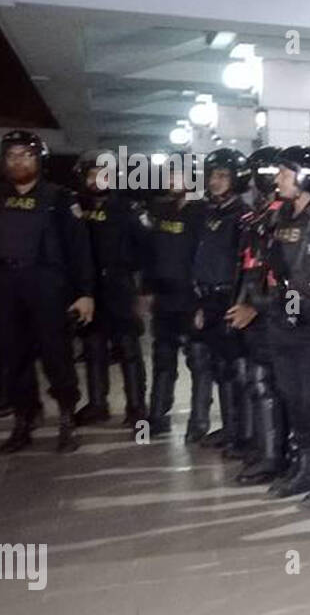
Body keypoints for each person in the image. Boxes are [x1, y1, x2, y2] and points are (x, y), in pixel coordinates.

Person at [0, 130, 96, 454]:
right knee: (12, 356)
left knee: (57, 356)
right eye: (12, 155)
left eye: (26, 155)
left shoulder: (59, 198)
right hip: (5, 287)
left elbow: (80, 251)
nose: (18, 161)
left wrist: (85, 293)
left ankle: (66, 420)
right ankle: (24, 420)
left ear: (39, 159)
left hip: (48, 284)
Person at [234, 146, 310, 500]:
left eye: (285, 172)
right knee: (292, 397)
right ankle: (306, 463)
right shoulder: (279, 219)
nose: (278, 178)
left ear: (307, 179)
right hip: (282, 319)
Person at [72, 151, 150, 427]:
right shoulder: (75, 207)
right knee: (93, 347)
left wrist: (141, 288)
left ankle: (137, 407)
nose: (97, 180)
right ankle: (97, 403)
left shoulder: (127, 209)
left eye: (103, 174)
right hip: (87, 289)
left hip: (119, 285)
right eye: (92, 174)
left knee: (128, 348)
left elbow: (145, 247)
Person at [227, 146, 288, 483]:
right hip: (251, 308)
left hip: (272, 311)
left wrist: (256, 306)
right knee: (255, 381)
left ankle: (273, 455)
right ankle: (262, 444)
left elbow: (285, 276)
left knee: (268, 384)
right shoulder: (256, 217)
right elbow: (247, 267)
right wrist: (239, 302)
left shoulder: (283, 216)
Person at [189, 149, 251, 448]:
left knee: (235, 368)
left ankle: (241, 432)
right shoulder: (206, 213)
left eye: (223, 176)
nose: (216, 181)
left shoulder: (243, 216)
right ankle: (228, 428)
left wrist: (241, 301)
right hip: (208, 297)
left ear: (237, 180)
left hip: (232, 298)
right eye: (213, 175)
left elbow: (248, 265)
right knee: (215, 365)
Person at [143, 165, 206, 438]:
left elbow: (206, 259)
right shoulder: (159, 209)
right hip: (165, 297)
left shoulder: (202, 212)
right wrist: (146, 290)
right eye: (168, 176)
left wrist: (204, 302)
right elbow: (150, 252)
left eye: (176, 176)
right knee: (163, 359)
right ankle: (156, 416)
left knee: (199, 361)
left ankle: (199, 421)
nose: (170, 180)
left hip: (192, 298)